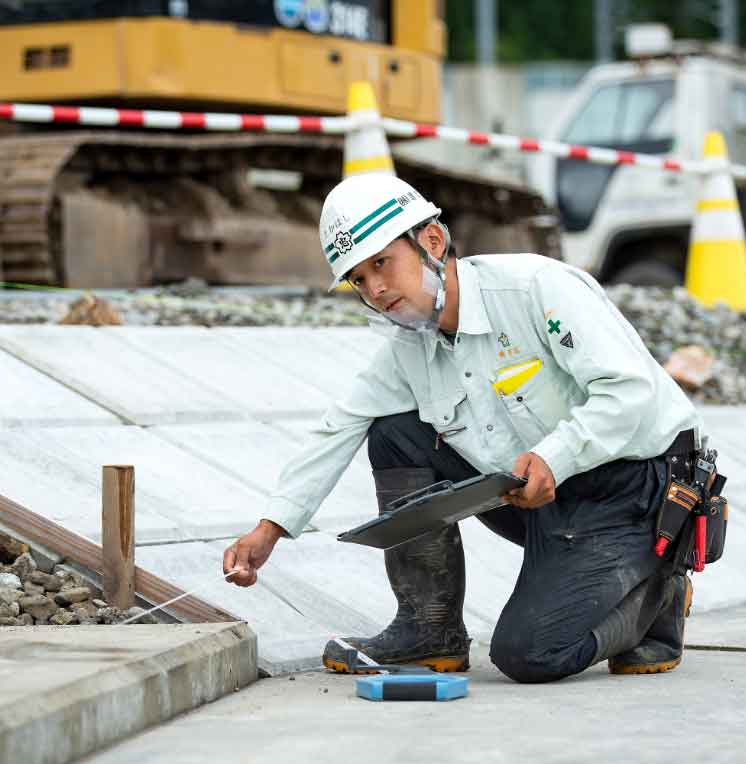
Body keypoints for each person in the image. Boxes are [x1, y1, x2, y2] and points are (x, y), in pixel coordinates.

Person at [223, 173, 702, 683]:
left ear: (432, 241)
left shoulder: (535, 289)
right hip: (540, 495)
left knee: (529, 655)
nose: (375, 288)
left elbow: (630, 391)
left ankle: (661, 591)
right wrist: (270, 529)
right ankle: (429, 632)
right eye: (359, 279)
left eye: (382, 263)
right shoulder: (410, 347)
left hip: (636, 489)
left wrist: (556, 457)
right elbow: (339, 426)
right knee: (395, 432)